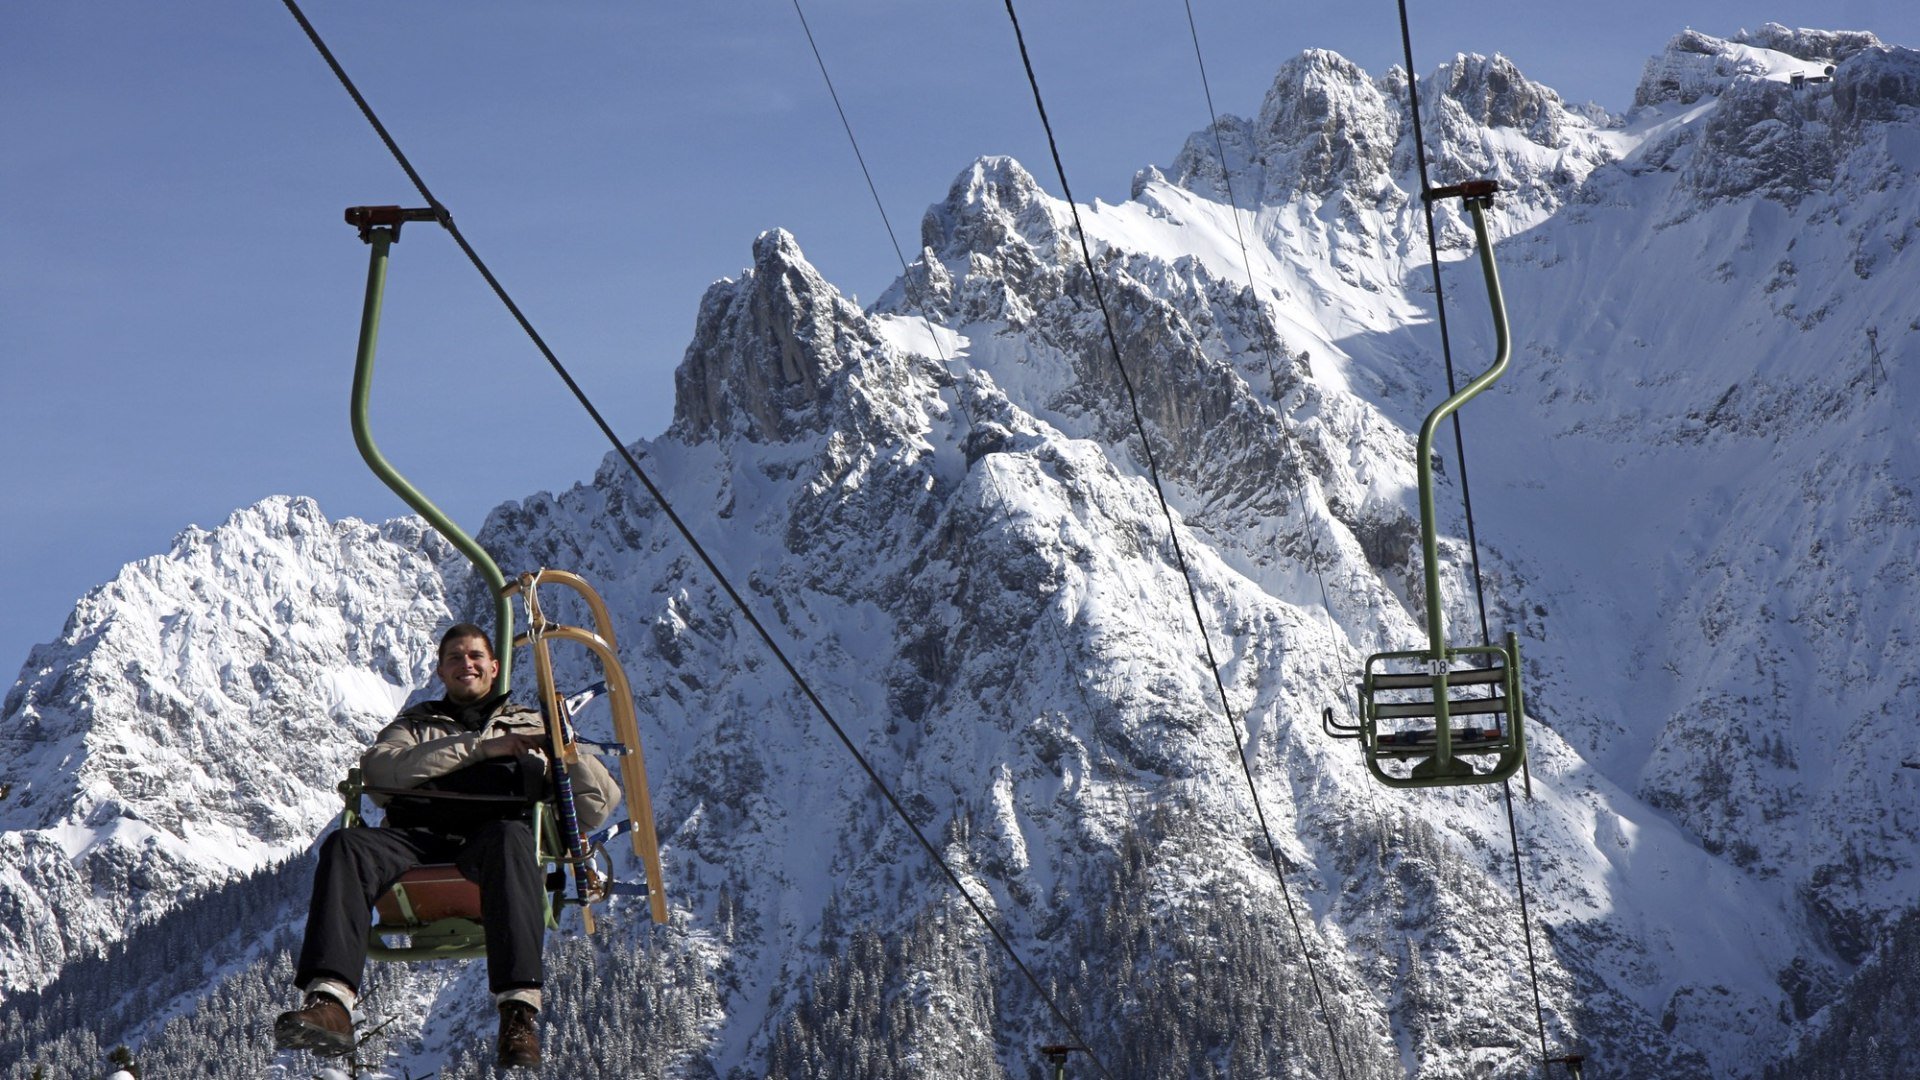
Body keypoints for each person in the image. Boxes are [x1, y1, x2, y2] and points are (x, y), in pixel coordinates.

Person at [273, 622, 620, 1069]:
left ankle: (518, 1012)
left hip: (492, 843)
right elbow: (381, 773)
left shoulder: (531, 726)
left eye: (475, 656)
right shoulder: (416, 724)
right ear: (440, 670)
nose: (466, 664)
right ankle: (332, 1002)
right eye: (454, 657)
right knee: (346, 846)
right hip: (417, 841)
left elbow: (597, 807)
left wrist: (565, 751)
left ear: (494, 668)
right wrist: (482, 748)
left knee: (512, 836)